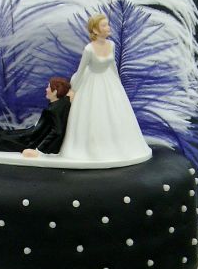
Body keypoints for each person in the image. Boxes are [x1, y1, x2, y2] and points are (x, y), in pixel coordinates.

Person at [59, 14, 151, 163]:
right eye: (104, 25)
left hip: (108, 81)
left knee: (114, 113)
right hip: (92, 84)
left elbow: (112, 64)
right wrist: (74, 90)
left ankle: (116, 145)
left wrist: (118, 82)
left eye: (108, 24)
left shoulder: (111, 45)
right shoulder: (89, 49)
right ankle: (92, 148)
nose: (108, 27)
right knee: (93, 115)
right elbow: (81, 70)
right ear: (95, 30)